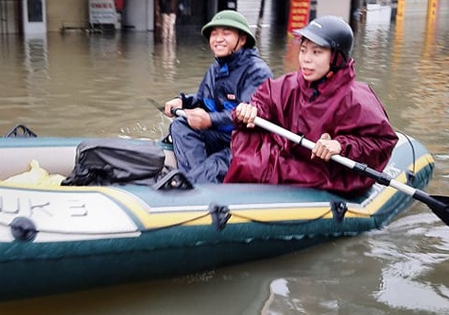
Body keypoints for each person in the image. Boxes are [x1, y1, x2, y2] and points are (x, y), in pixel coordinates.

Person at [224, 15, 398, 195]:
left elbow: (383, 141)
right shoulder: (288, 84)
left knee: (258, 166)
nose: (306, 59)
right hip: (290, 160)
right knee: (250, 159)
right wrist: (251, 110)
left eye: (316, 52)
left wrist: (340, 145)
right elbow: (263, 102)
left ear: (337, 58)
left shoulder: (356, 98)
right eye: (303, 50)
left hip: (326, 171)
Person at [164, 10, 273, 183]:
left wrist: (210, 120)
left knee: (213, 166)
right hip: (220, 137)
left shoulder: (257, 71)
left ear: (242, 39)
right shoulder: (214, 69)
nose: (218, 38)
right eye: (214, 34)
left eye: (226, 33)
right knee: (180, 125)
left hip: (245, 143)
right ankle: (196, 180)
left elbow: (250, 117)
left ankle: (197, 181)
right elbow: (203, 100)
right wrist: (183, 101)